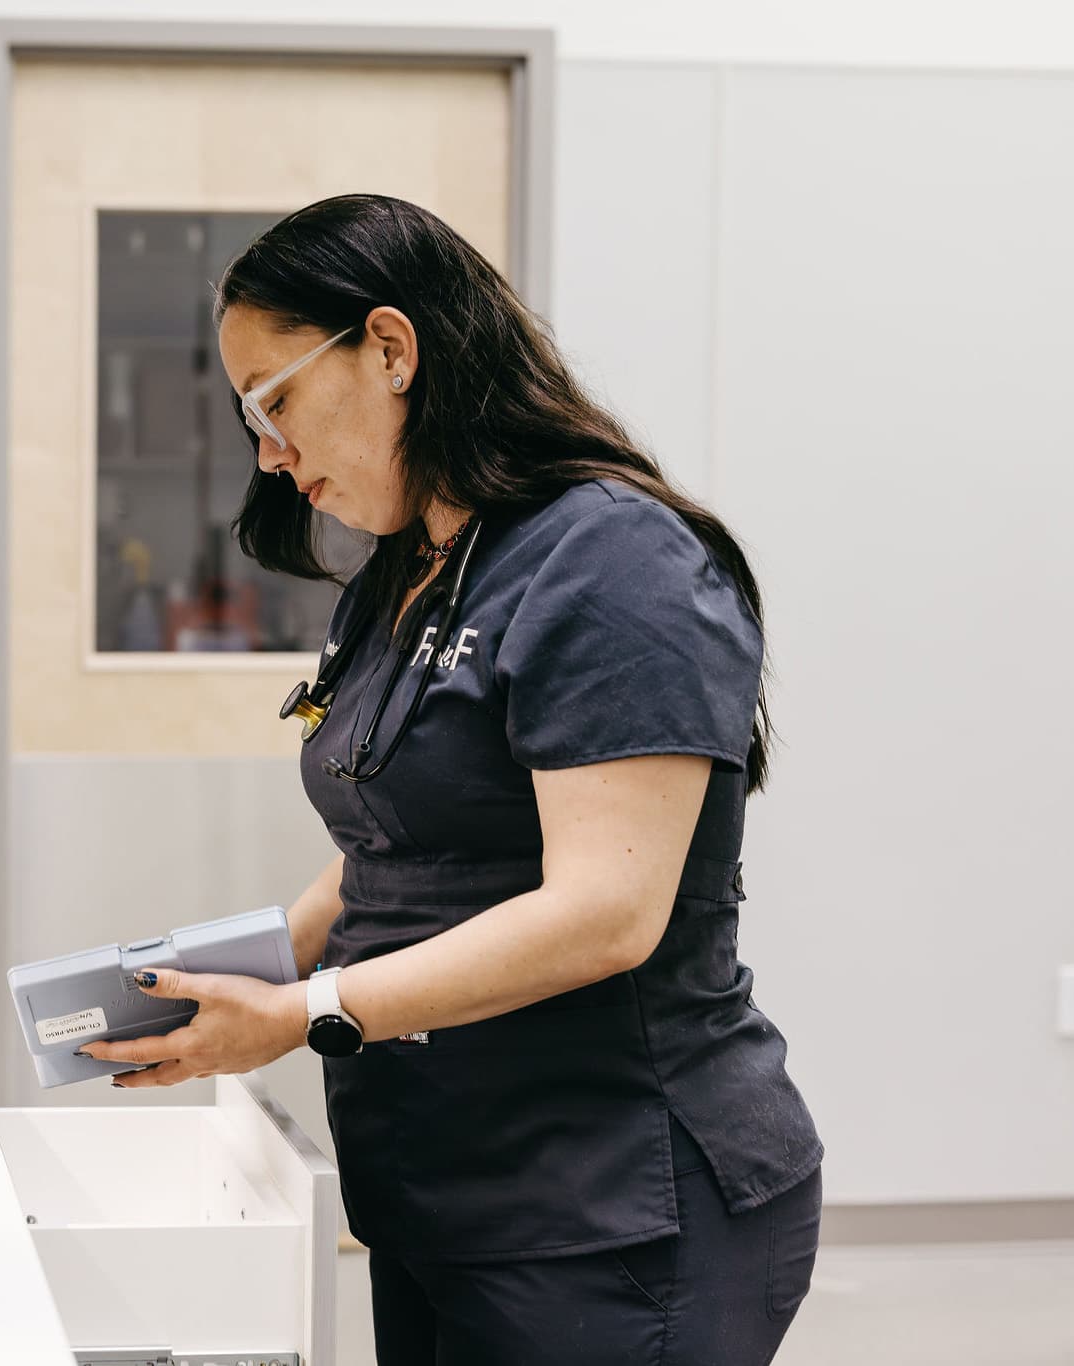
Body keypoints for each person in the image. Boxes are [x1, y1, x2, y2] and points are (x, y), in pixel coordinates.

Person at [82, 193, 824, 1365]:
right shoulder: (412, 568)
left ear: (389, 347)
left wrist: (301, 1013)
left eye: (276, 403)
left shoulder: (615, 559)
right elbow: (399, 837)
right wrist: (238, 963)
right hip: (446, 1189)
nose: (269, 456)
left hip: (613, 1208)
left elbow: (605, 912)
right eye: (246, 418)